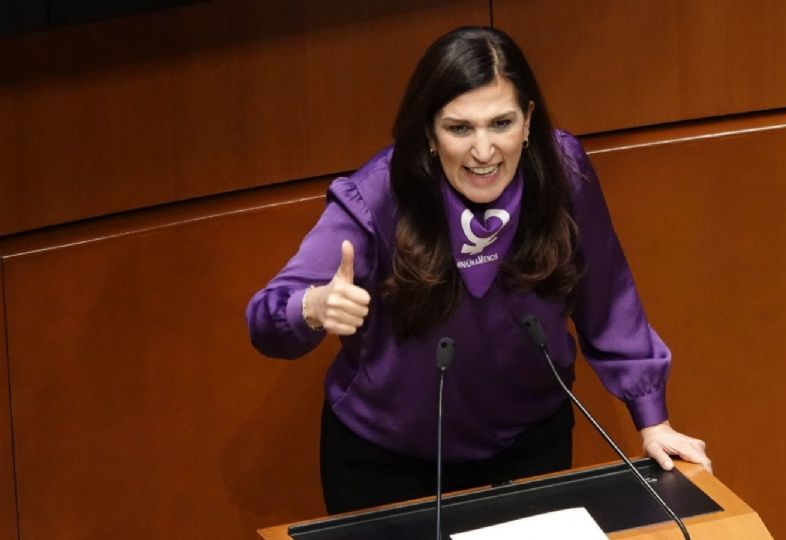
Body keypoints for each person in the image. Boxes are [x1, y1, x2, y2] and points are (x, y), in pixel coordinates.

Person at [246, 26, 711, 514]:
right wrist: (312, 308)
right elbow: (265, 319)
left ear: (528, 121)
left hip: (529, 445)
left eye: (501, 123)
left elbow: (610, 297)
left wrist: (652, 418)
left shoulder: (562, 172)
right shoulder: (376, 195)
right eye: (460, 128)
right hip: (387, 466)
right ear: (429, 131)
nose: (484, 152)